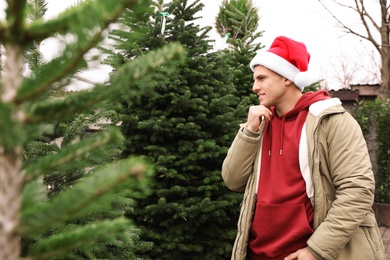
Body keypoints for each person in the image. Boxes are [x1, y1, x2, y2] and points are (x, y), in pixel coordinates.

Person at [221, 36, 386, 260]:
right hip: (257, 254)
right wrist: (249, 131)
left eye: (261, 78)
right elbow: (232, 180)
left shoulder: (332, 122)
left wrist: (316, 250)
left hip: (307, 253)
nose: (254, 87)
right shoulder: (259, 124)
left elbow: (357, 191)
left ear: (287, 78)